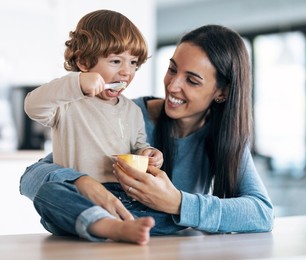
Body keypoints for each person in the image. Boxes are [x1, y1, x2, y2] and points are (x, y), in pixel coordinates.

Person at [20, 24, 274, 245]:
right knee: (50, 195)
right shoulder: (127, 114)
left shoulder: (225, 137)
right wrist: (81, 182)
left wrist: (176, 203)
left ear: (222, 93)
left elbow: (261, 213)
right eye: (173, 69)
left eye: (192, 80)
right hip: (98, 241)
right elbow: (31, 178)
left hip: (159, 245)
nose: (173, 86)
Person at [23, 9, 164, 245]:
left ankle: (119, 224)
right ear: (84, 62)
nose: (126, 72)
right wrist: (76, 83)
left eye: (133, 63)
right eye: (116, 61)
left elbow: (139, 145)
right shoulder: (68, 103)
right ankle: (108, 225)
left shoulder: (132, 110)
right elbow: (32, 106)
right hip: (78, 195)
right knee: (49, 194)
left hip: (123, 197)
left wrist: (147, 154)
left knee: (169, 209)